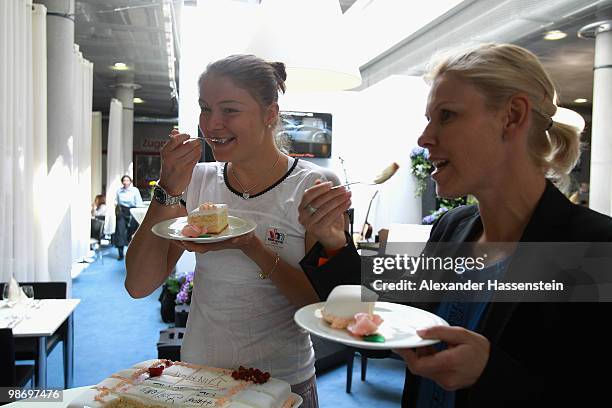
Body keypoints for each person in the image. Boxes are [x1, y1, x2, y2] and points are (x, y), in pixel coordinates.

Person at [298, 43, 612, 406]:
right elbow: (389, 326)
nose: (424, 138)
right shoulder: (454, 226)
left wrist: (491, 373)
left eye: (446, 116)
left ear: (512, 115)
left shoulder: (593, 246)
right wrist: (335, 241)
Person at [125, 54, 341, 407]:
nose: (212, 125)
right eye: (205, 108)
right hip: (199, 379)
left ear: (270, 114)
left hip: (279, 383)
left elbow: (320, 311)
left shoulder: (312, 186)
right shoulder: (197, 180)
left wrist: (252, 246)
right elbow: (138, 284)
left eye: (230, 110)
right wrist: (167, 187)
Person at [114, 175, 143, 260]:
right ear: (122, 182)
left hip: (132, 211)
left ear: (130, 181)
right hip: (122, 212)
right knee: (120, 231)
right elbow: (116, 201)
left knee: (132, 232)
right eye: (124, 181)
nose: (125, 182)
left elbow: (138, 202)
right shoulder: (119, 191)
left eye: (127, 180)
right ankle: (120, 254)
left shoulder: (135, 190)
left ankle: (133, 253)